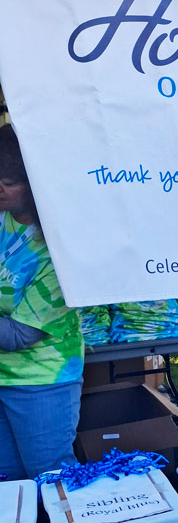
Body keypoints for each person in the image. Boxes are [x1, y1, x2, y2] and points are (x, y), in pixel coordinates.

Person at [0, 123, 84, 478]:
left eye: (9, 183)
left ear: (37, 183)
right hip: (4, 376)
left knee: (50, 480)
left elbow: (20, 334)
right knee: (8, 484)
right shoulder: (5, 218)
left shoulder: (60, 246)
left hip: (41, 380)